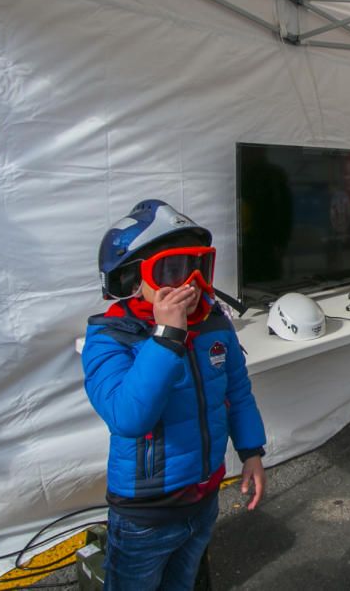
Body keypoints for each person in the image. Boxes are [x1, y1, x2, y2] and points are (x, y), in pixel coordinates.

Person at [82, 199, 267, 590]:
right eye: (172, 270)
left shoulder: (214, 324)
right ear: (133, 278)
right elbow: (128, 417)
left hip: (204, 498)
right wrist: (167, 337)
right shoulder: (110, 335)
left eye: (199, 268)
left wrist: (251, 451)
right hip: (146, 515)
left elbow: (237, 390)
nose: (191, 284)